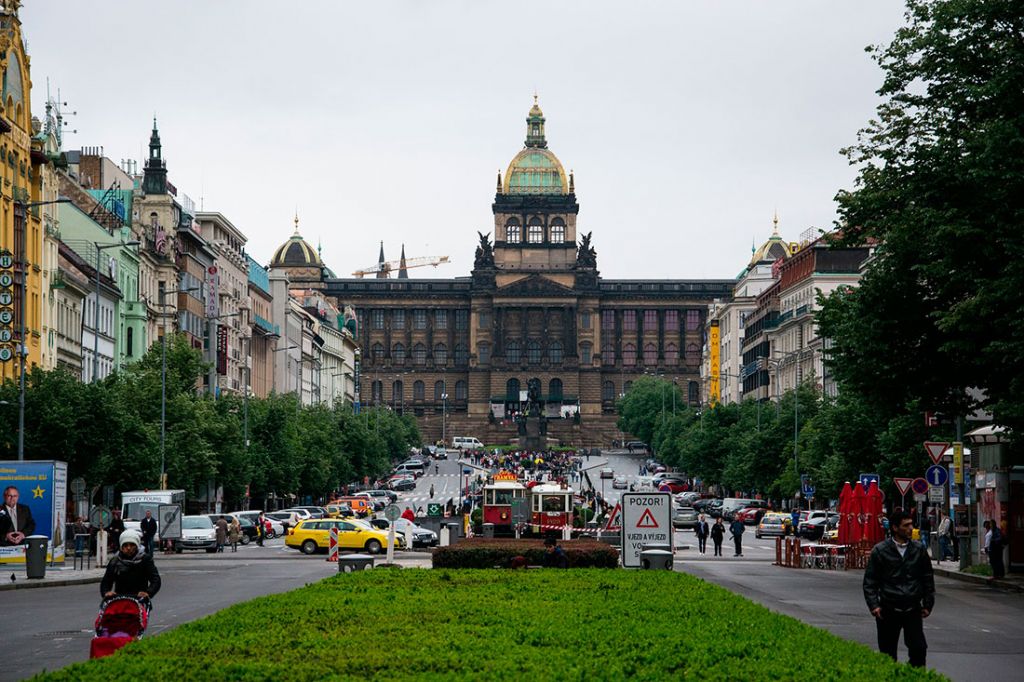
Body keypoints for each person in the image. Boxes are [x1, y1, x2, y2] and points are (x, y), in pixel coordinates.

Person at [863, 510, 935, 668]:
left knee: (919, 649)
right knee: (887, 654)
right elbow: (870, 581)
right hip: (888, 609)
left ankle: (914, 678)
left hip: (912, 608)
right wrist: (874, 605)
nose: (911, 528)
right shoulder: (880, 551)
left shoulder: (918, 549)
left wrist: (928, 604)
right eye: (906, 525)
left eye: (911, 524)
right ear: (895, 528)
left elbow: (927, 578)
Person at [100, 530, 161, 603]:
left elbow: (155, 579)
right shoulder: (115, 561)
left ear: (137, 545)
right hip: (120, 600)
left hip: (139, 600)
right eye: (125, 545)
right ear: (121, 547)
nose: (128, 548)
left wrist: (148, 593)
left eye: (132, 545)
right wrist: (106, 592)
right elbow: (106, 581)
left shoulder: (144, 559)